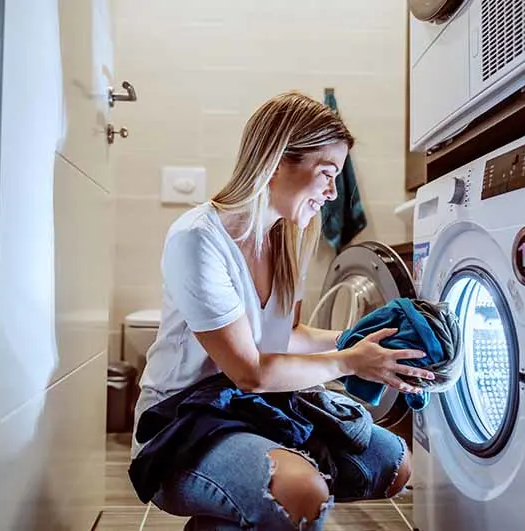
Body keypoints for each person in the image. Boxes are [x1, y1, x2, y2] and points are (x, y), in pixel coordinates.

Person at [131, 91, 434, 530]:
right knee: (302, 492)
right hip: (181, 425)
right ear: (276, 162)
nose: (332, 193)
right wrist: (349, 362)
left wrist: (367, 343)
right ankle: (252, 498)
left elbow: (286, 335)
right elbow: (249, 372)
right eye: (327, 174)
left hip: (252, 408)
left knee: (392, 465)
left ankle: (231, 515)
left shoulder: (286, 237)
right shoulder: (197, 239)